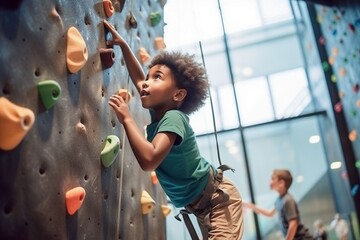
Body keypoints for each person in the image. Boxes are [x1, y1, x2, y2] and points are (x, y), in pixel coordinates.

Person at [103, 19, 243, 239]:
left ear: (177, 95)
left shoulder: (174, 117)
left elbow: (150, 160)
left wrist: (127, 119)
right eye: (149, 78)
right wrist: (123, 45)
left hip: (218, 200)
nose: (146, 83)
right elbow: (138, 77)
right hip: (201, 205)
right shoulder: (159, 111)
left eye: (157, 78)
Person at [244, 169, 312, 240]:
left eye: (272, 179)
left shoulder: (288, 200)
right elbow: (269, 213)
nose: (270, 182)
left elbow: (293, 223)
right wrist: (250, 206)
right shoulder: (279, 200)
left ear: (281, 183)